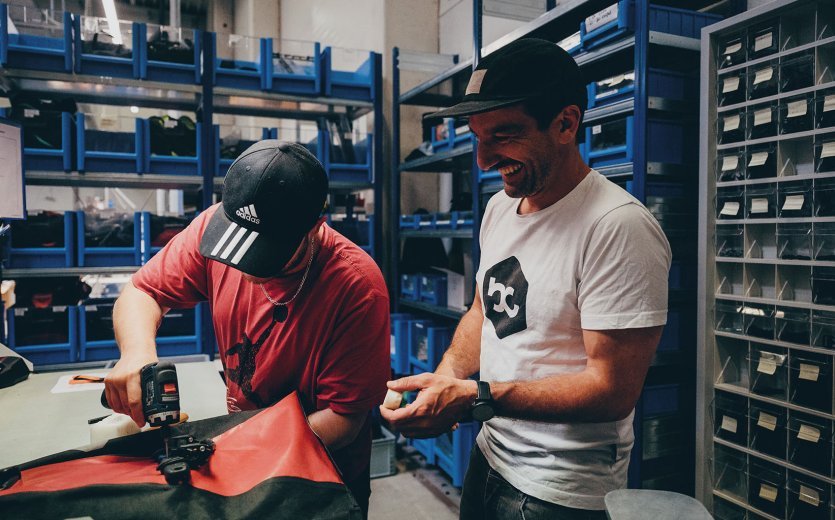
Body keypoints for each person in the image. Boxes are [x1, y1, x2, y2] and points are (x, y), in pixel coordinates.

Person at [380, 38, 672, 519]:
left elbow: (612, 389)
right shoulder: (499, 209)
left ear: (565, 123)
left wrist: (477, 397)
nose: (483, 160)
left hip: (556, 490)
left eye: (503, 136)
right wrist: (448, 379)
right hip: (490, 453)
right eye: (477, 136)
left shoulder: (617, 227)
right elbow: (484, 310)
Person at [104, 140, 390, 518]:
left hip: (319, 479)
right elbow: (143, 291)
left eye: (263, 251)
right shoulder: (215, 226)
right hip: (241, 458)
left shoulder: (356, 287)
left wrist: (238, 447)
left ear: (314, 227)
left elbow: (344, 420)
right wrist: (137, 352)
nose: (242, 266)